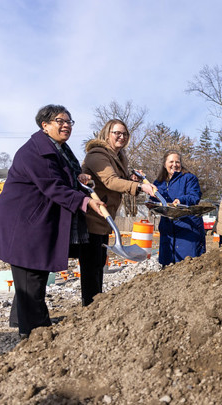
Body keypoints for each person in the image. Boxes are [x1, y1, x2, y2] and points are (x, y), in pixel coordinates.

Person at [0, 104, 106, 338]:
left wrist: (79, 177)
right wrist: (86, 202)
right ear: (45, 125)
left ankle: (20, 321)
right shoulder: (34, 151)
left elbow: (65, 176)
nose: (66, 126)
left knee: (34, 276)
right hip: (23, 222)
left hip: (38, 220)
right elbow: (53, 185)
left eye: (69, 122)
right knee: (31, 278)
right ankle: (35, 335)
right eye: (60, 121)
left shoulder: (61, 149)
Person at [79, 119, 157, 306]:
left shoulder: (119, 157)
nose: (121, 137)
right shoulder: (97, 154)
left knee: (99, 264)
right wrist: (139, 187)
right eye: (117, 133)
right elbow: (110, 181)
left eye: (125, 134)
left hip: (105, 216)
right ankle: (90, 305)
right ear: (107, 134)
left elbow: (118, 179)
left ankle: (94, 303)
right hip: (92, 216)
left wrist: (130, 177)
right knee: (92, 266)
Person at [153, 151, 206, 266]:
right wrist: (152, 204)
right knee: (167, 265)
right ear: (164, 164)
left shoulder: (189, 178)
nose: (174, 164)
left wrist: (181, 200)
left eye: (177, 162)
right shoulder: (159, 182)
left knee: (187, 264)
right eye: (171, 161)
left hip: (188, 226)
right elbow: (156, 199)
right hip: (167, 228)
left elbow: (194, 196)